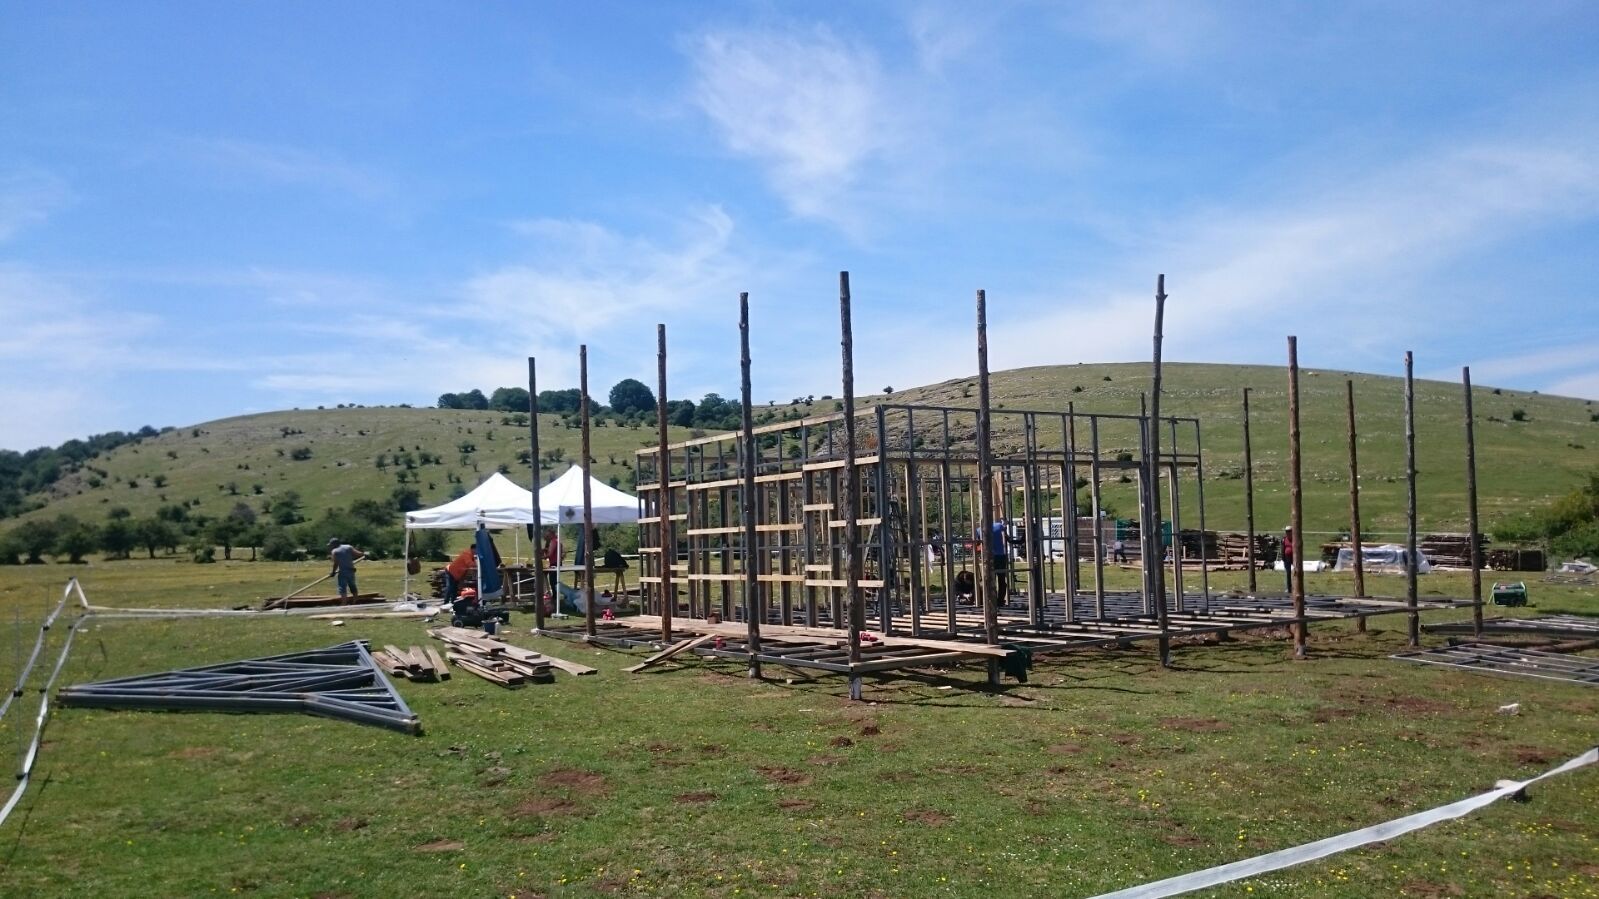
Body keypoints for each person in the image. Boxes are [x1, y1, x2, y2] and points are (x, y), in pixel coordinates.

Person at [540, 528, 559, 596]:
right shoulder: (555, 541)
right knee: (553, 579)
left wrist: (540, 558)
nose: (547, 537)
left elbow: (550, 554)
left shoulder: (553, 541)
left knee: (553, 580)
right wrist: (546, 549)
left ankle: (555, 595)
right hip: (555, 562)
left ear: (551, 534)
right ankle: (553, 594)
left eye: (548, 535)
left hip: (554, 563)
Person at [1281, 525, 1296, 593]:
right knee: (1288, 573)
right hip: (1287, 557)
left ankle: (1296, 587)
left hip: (1294, 557)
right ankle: (1288, 588)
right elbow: (1282, 548)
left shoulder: (1295, 539)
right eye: (1287, 531)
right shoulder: (1284, 539)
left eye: (1289, 531)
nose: (1288, 533)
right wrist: (1283, 557)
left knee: (1296, 572)